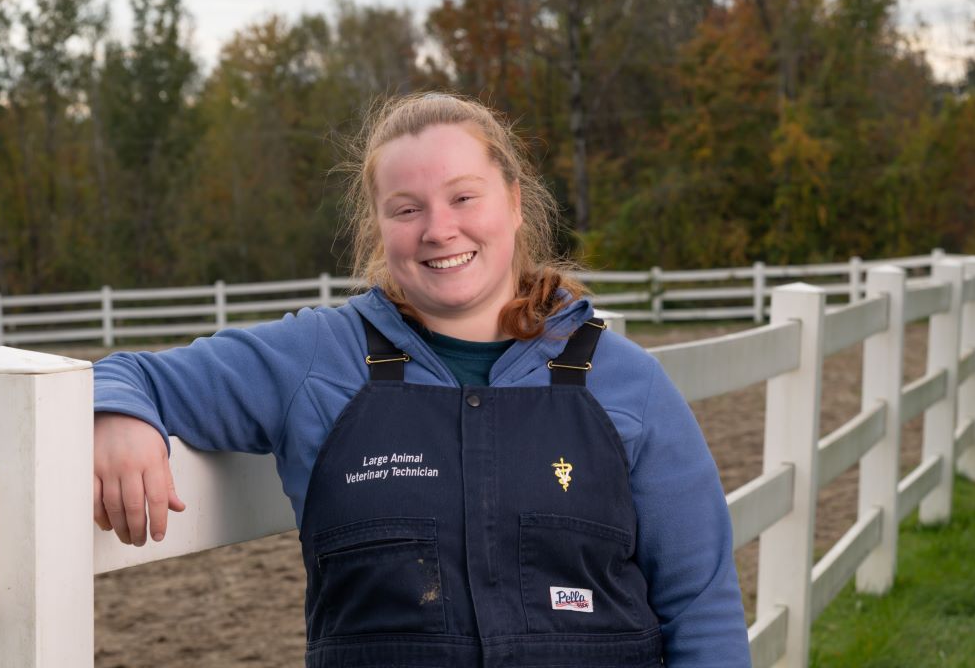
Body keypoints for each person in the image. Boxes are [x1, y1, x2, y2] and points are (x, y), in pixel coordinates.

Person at [93, 92, 752, 667]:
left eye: (464, 196)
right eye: (406, 209)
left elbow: (700, 603)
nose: (440, 230)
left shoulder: (624, 381)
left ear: (515, 203)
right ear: (378, 226)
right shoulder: (318, 359)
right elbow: (128, 375)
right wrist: (118, 417)